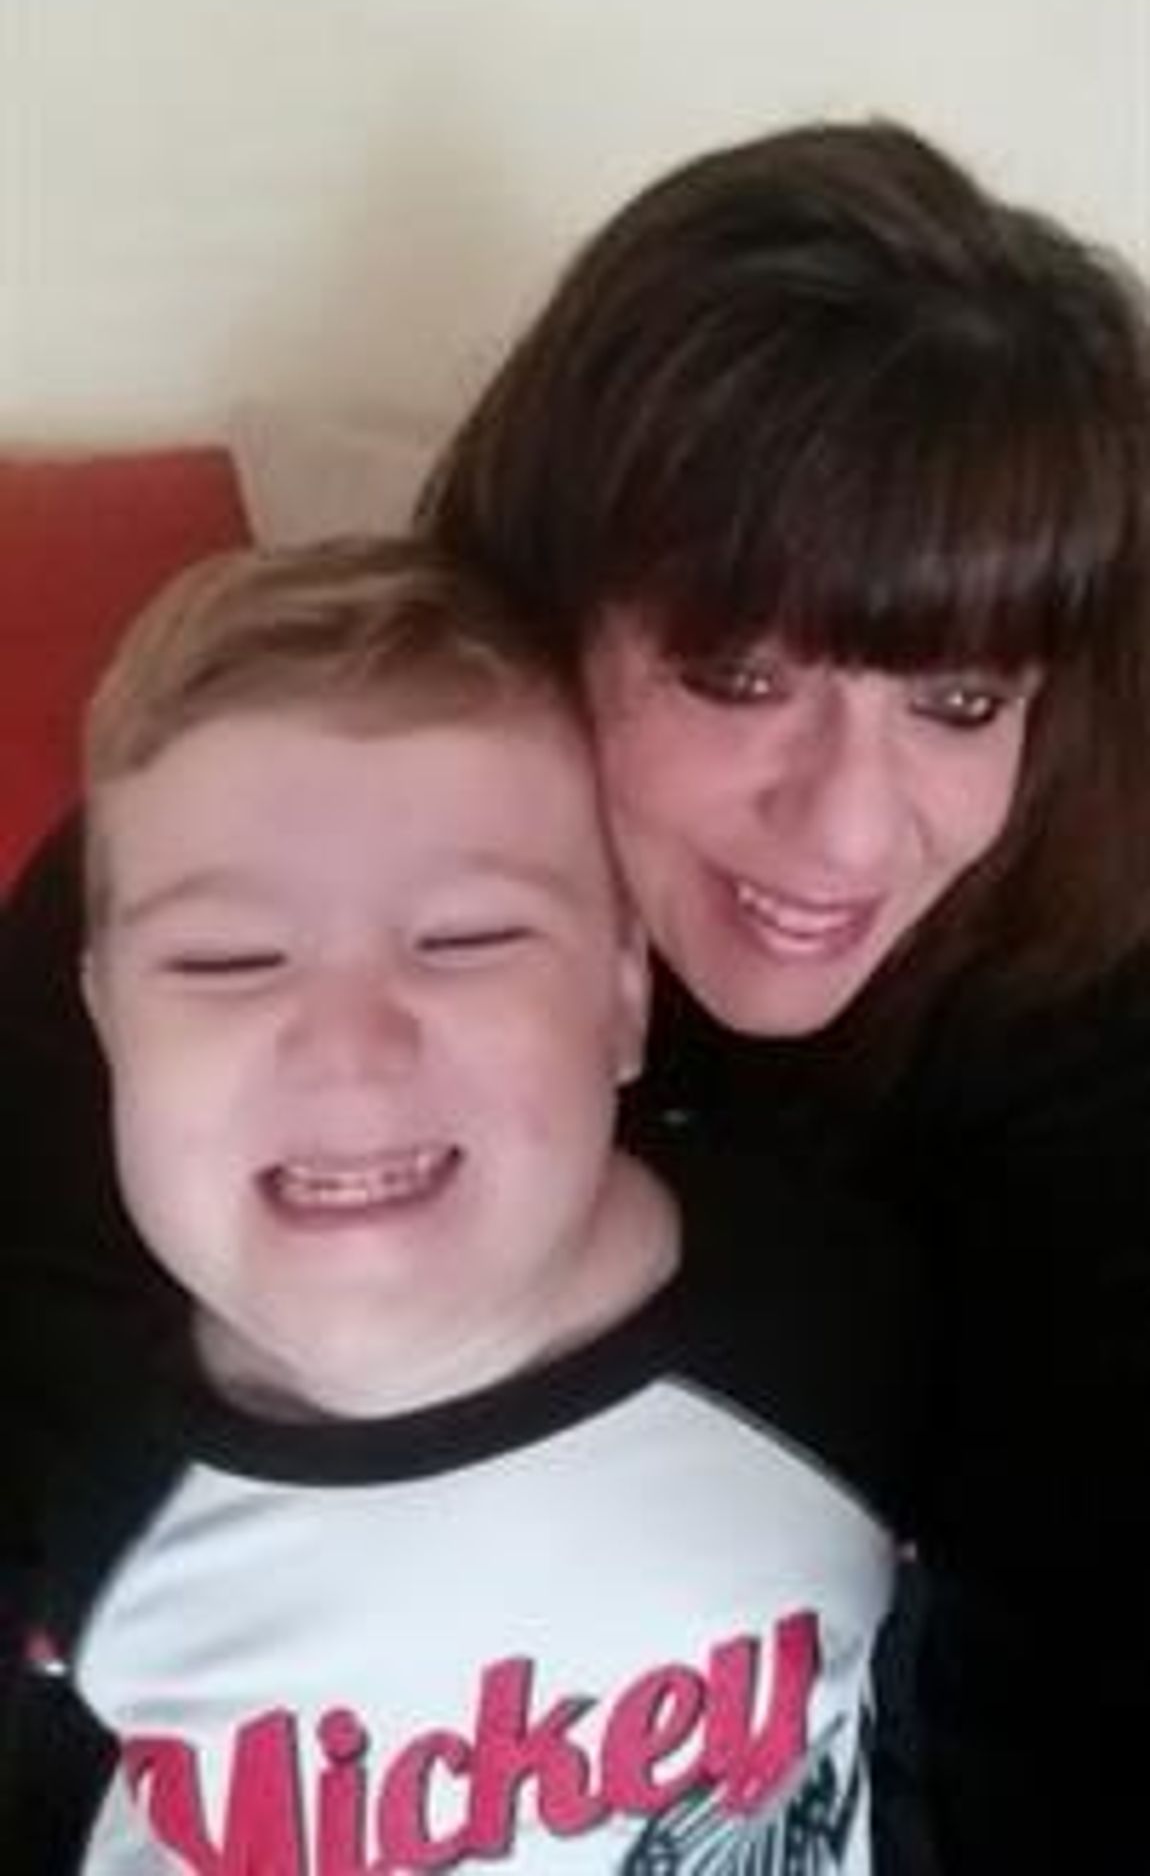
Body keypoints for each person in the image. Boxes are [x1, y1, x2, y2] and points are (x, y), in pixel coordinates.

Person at [416, 119, 1150, 1873]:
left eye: (957, 705)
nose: (845, 831)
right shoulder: (259, 895)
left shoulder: (1076, 1007)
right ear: (546, 618)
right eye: (737, 678)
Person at [1, 536, 921, 1875]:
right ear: (103, 1019)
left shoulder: (851, 1322)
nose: (348, 1045)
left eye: (469, 937)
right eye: (225, 958)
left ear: (623, 997)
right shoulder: (64, 1473)